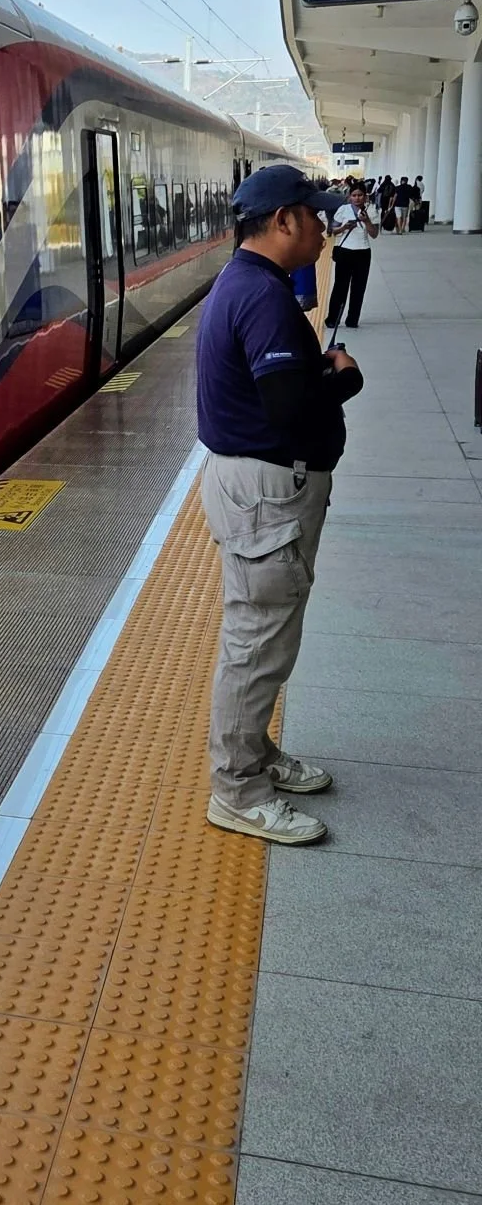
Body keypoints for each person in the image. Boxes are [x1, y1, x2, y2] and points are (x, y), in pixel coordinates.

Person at [197, 164, 365, 845]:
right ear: (283, 220)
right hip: (266, 496)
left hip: (258, 491)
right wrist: (344, 381)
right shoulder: (263, 297)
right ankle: (236, 792)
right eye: (315, 216)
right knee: (257, 644)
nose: (325, 228)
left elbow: (277, 386)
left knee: (264, 638)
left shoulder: (244, 282)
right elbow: (289, 409)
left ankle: (254, 753)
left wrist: (314, 372)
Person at [327, 180, 378, 331]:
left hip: (363, 252)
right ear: (349, 196)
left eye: (360, 195)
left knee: (359, 288)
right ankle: (333, 319)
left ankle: (352, 319)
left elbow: (374, 234)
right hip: (345, 251)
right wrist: (344, 227)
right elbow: (333, 231)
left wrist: (366, 220)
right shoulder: (343, 210)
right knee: (340, 287)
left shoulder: (371, 211)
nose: (357, 198)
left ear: (365, 196)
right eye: (354, 195)